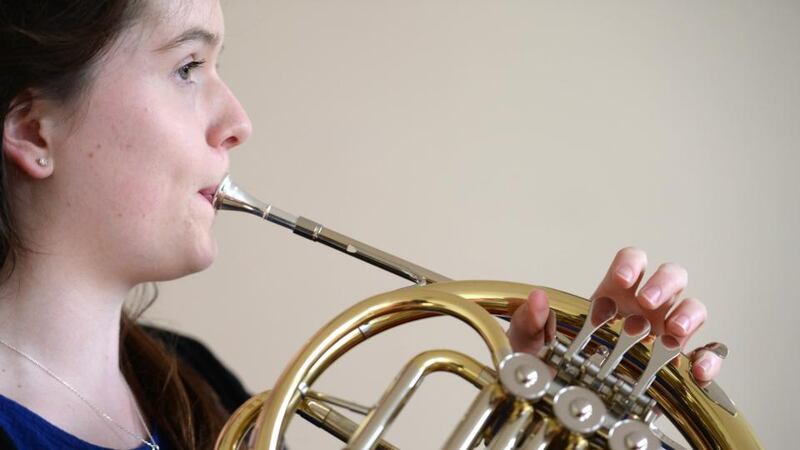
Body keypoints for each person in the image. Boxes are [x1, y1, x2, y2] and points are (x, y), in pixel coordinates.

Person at [0, 1, 724, 449]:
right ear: (34, 131)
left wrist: (541, 419)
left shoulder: (197, 386)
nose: (237, 122)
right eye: (189, 66)